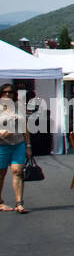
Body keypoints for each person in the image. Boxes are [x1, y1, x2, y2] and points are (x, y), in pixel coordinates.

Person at [0, 84, 32, 214]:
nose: (7, 95)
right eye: (5, 92)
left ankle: (19, 203)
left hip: (18, 144)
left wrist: (28, 146)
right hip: (2, 145)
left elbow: (25, 128)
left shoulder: (19, 108)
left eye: (10, 92)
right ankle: (0, 202)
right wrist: (6, 132)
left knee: (17, 171)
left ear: (14, 94)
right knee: (1, 174)